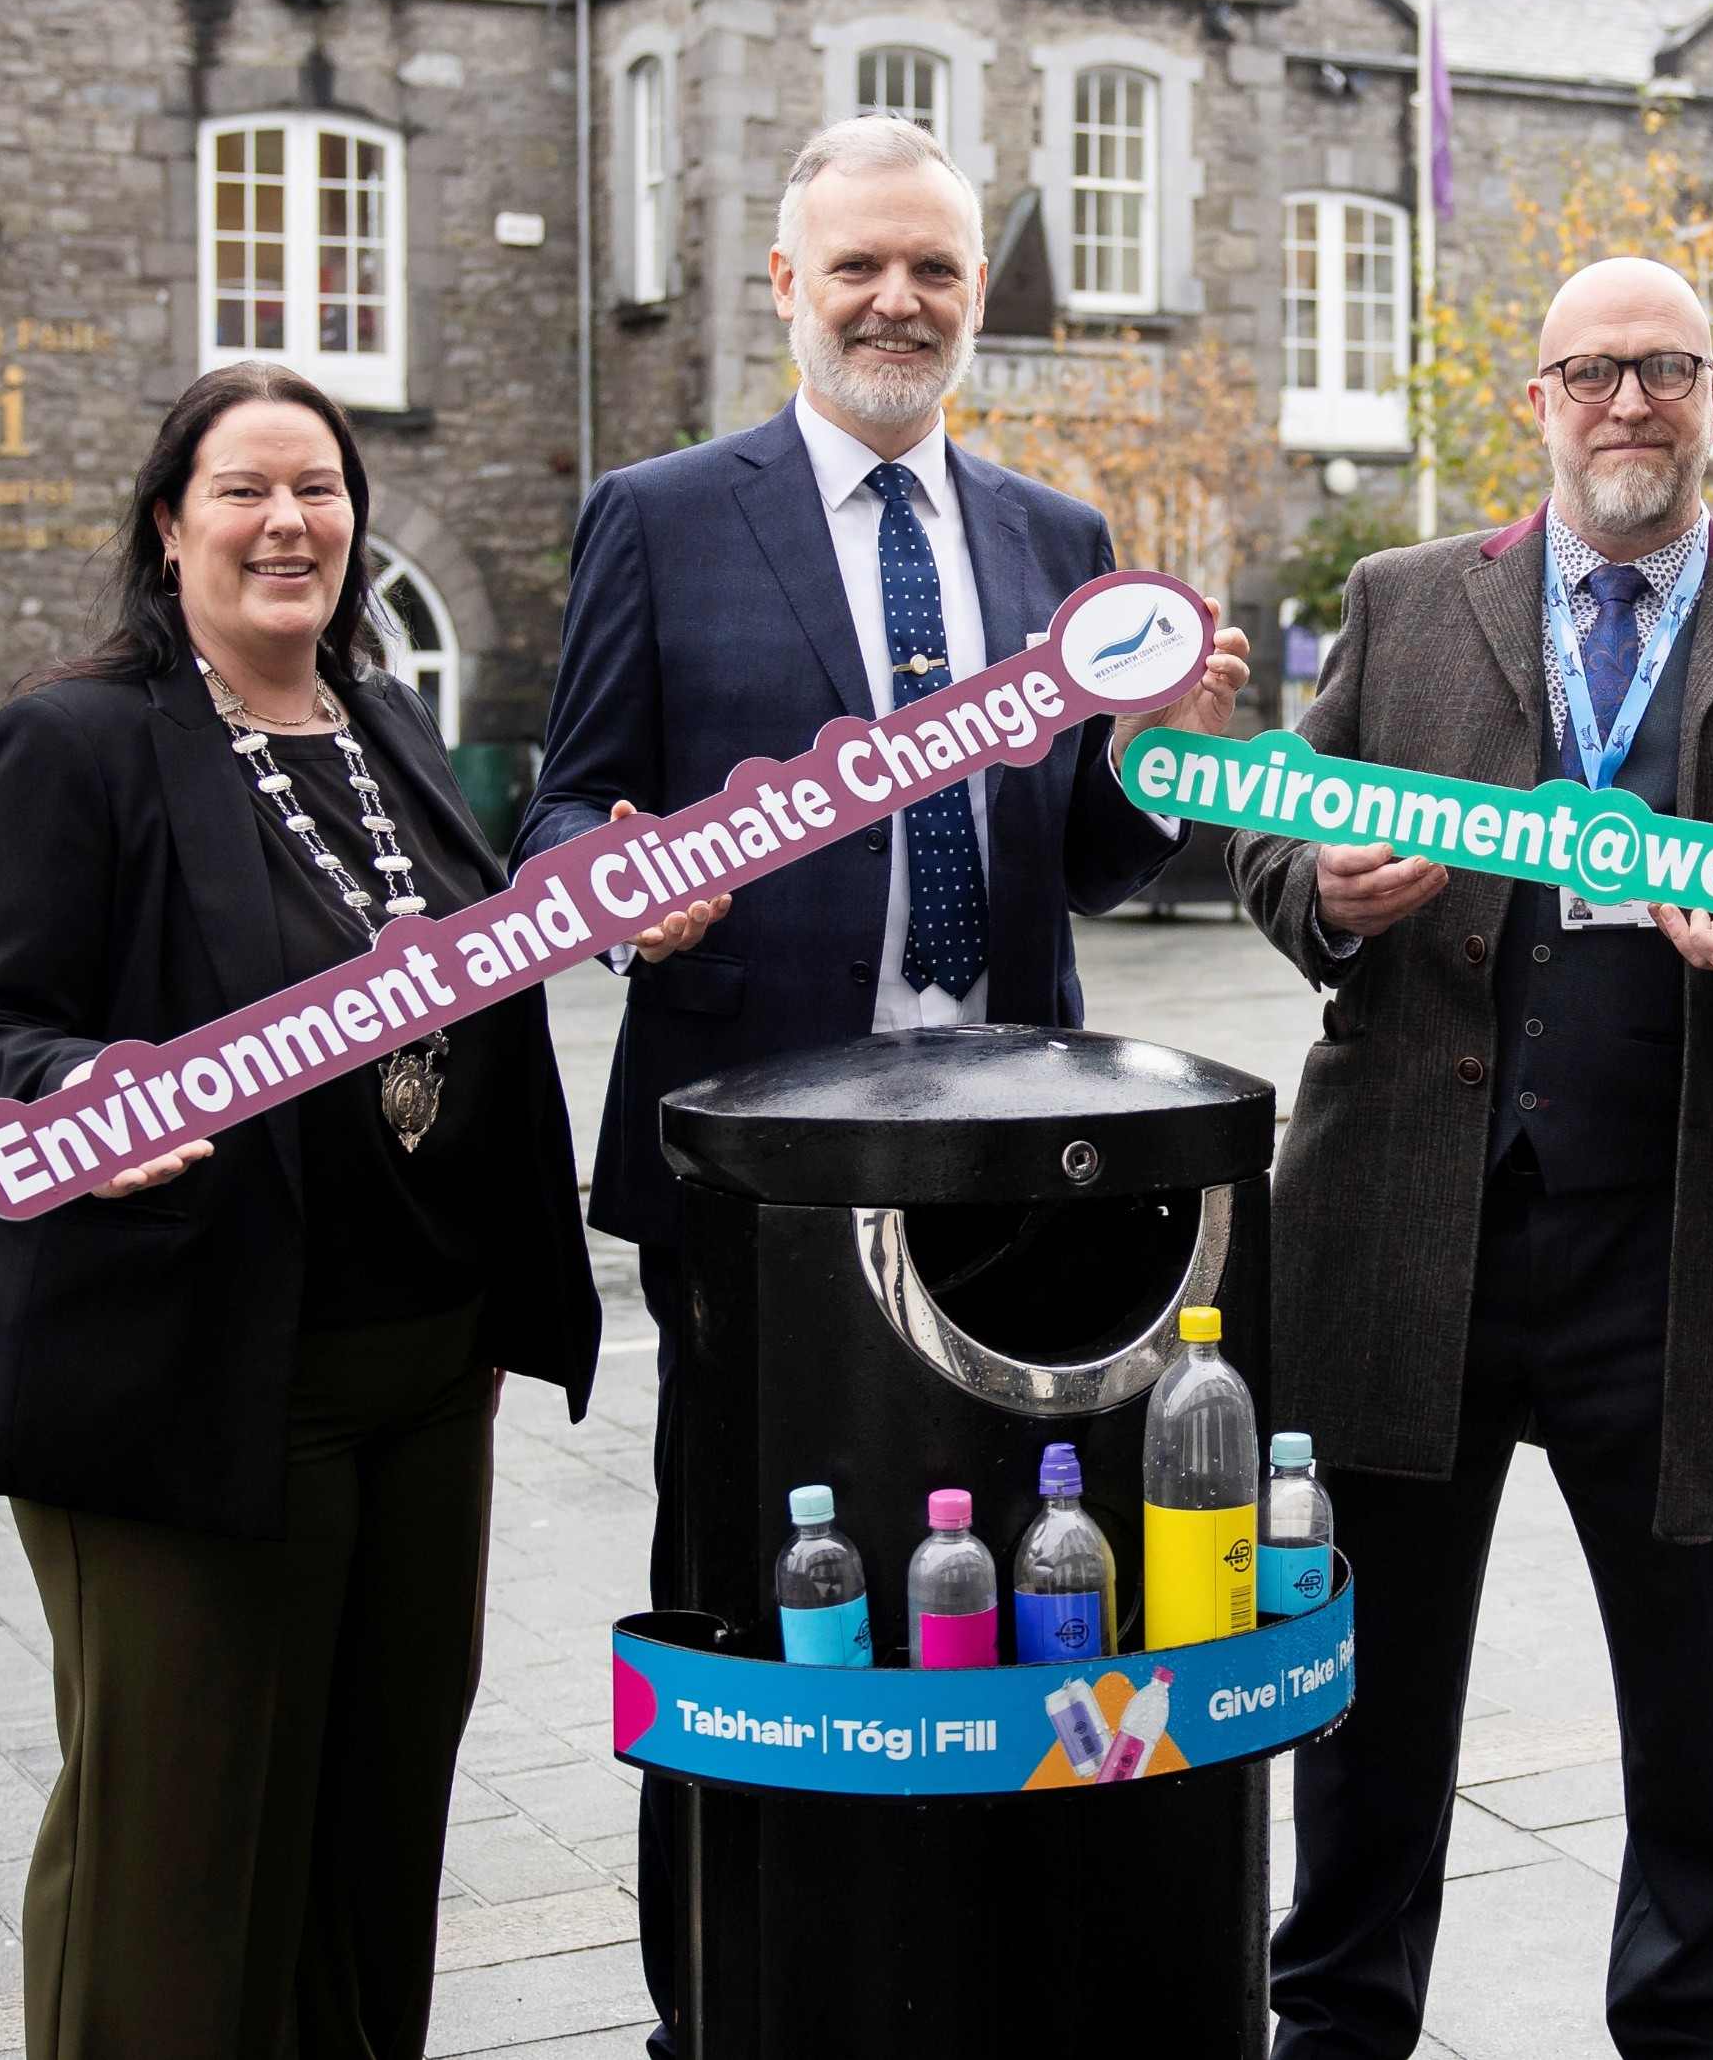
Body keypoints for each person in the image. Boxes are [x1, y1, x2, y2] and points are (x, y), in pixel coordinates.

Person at [518, 112, 1249, 2057]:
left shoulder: (1054, 542)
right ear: (788, 287)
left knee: (1004, 1588)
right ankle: (722, 1999)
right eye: (860, 268)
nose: (900, 302)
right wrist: (617, 897)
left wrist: (1148, 756)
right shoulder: (663, 515)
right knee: (750, 1600)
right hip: (757, 1190)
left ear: (975, 297)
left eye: (936, 270)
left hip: (1024, 1180)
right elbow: (561, 804)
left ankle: (979, 1977)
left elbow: (1078, 867)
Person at [1236, 257, 1713, 2060]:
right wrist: (1318, 891)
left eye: (1666, 370)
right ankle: (1340, 2017)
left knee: (1695, 1684)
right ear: (1536, 400)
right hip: (1407, 1226)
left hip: (1674, 1243)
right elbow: (1267, 836)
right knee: (1366, 1680)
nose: (1630, 403)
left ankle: (1693, 2016)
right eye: (1591, 373)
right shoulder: (1401, 609)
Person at [0, 360, 600, 2060]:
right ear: (169, 524)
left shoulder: (388, 722)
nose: (289, 521)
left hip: (428, 1379)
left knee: (375, 1832)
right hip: (200, 1378)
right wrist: (72, 1094)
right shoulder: (77, 740)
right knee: (182, 1855)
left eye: (320, 488)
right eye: (244, 489)